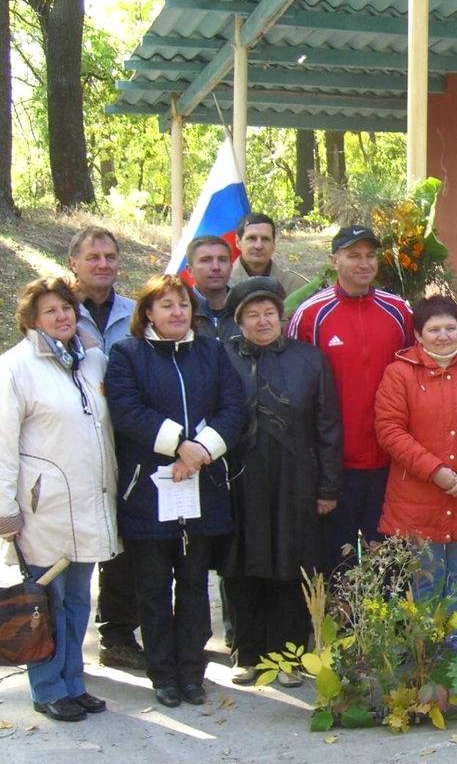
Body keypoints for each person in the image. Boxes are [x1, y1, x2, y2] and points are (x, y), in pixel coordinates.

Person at [106, 274, 244, 709]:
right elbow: (127, 410)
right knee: (152, 588)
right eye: (166, 305)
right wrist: (177, 445)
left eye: (183, 303)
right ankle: (162, 674)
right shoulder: (126, 354)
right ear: (148, 312)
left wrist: (199, 452)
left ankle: (191, 672)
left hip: (201, 488)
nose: (177, 312)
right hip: (148, 493)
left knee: (193, 586)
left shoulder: (212, 351)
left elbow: (233, 407)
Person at [0, 277, 119, 722]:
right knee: (43, 602)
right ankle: (48, 686)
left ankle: (73, 682)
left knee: (77, 599)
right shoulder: (15, 367)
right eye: (50, 311)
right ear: (32, 320)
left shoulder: (92, 363)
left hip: (88, 501)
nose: (62, 317)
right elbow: (3, 443)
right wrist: (4, 509)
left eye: (66, 308)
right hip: (42, 508)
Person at [222, 278, 342, 688]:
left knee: (293, 566)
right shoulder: (224, 359)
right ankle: (248, 652)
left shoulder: (310, 360)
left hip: (298, 480)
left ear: (282, 316)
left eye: (269, 312)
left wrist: (328, 487)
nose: (262, 320)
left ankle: (289, 656)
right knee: (244, 566)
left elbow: (328, 426)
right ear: (239, 320)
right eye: (252, 314)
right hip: (241, 480)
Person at [287, 226, 413, 572]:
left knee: (388, 566)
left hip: (390, 462)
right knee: (337, 565)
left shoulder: (400, 311)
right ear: (334, 260)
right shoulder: (311, 315)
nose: (363, 263)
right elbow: (296, 388)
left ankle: (389, 627)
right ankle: (336, 626)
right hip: (335, 467)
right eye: (353, 255)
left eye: (370, 255)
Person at [374, 295, 457, 602]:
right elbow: (390, 431)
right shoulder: (400, 374)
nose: (444, 335)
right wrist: (435, 471)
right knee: (426, 582)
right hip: (418, 498)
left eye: (451, 327)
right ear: (418, 335)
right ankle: (428, 652)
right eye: (435, 329)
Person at [68, 225, 144, 671]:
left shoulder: (135, 313)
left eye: (110, 256)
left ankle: (116, 634)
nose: (102, 264)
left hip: (126, 442)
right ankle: (54, 643)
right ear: (73, 263)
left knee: (124, 541)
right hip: (73, 448)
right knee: (74, 542)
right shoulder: (55, 310)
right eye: (93, 256)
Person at [229, 212, 307, 295]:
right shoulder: (223, 284)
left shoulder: (296, 287)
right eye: (251, 238)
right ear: (238, 242)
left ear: (274, 244)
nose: (258, 246)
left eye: (265, 239)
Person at [187, 235, 239, 341]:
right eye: (206, 260)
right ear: (189, 270)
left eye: (222, 260)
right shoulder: (180, 313)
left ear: (231, 267)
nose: (216, 267)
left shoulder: (245, 309)